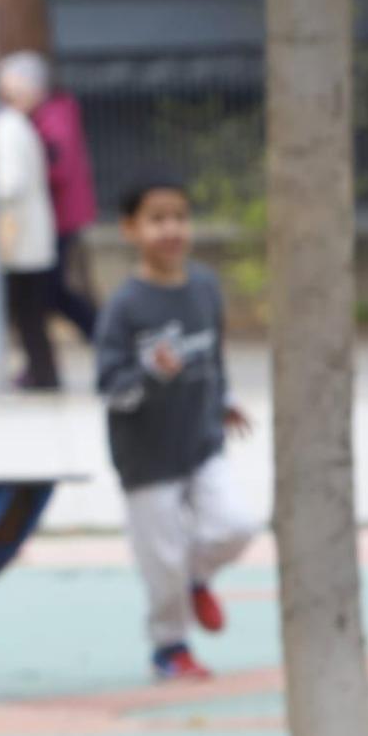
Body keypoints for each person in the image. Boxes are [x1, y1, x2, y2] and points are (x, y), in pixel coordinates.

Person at [94, 175, 259, 682]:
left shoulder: (205, 287)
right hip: (147, 458)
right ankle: (170, 648)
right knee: (160, 561)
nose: (171, 229)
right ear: (130, 229)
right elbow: (110, 386)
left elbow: (213, 355)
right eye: (157, 219)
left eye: (179, 217)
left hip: (201, 440)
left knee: (236, 525)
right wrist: (151, 374)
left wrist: (225, 399)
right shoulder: (126, 307)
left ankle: (198, 578)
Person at [0, 51, 99, 341]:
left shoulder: (53, 118)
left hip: (59, 217)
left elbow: (58, 168)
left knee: (47, 291)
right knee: (46, 291)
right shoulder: (46, 117)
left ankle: (100, 333)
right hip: (55, 215)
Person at [0, 59, 60, 390]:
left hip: (19, 240)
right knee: (30, 314)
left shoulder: (7, 127)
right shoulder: (19, 125)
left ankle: (40, 374)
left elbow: (11, 184)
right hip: (28, 238)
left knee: (24, 313)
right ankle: (41, 373)